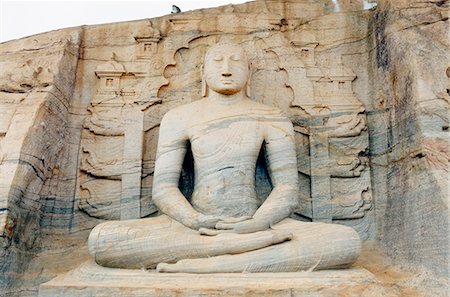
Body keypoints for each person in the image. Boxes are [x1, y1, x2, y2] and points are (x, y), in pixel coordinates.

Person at [88, 42, 361, 273]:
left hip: (258, 225)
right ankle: (236, 253)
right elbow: (163, 189)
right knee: (102, 240)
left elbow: (287, 189)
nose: (226, 68)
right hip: (193, 228)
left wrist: (258, 222)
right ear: (203, 73)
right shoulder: (179, 117)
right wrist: (193, 219)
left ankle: (197, 264)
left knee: (345, 242)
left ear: (249, 73)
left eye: (236, 61)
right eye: (217, 61)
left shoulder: (271, 117)